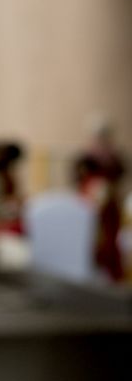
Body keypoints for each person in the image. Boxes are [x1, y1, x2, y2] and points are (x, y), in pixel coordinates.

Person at [77, 120, 127, 282]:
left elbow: (120, 175)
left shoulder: (114, 156)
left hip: (110, 205)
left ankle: (111, 272)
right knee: (92, 238)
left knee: (110, 239)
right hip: (91, 204)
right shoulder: (86, 156)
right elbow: (78, 178)